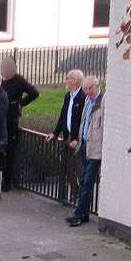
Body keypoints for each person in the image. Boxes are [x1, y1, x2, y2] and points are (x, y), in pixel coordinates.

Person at [0, 55, 40, 189]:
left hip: (11, 119)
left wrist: (20, 103)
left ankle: (7, 181)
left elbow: (34, 93)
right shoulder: (1, 81)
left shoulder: (19, 80)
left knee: (9, 150)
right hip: (0, 119)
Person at [68, 74, 104, 227]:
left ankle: (78, 215)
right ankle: (84, 214)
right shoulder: (88, 100)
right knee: (83, 180)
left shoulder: (103, 102)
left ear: (97, 87)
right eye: (86, 88)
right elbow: (84, 122)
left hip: (95, 149)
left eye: (90, 88)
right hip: (84, 146)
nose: (88, 91)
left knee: (88, 181)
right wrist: (77, 140)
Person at [52, 69, 87, 198]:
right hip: (67, 138)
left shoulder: (82, 97)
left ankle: (81, 195)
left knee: (77, 168)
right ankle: (75, 192)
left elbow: (81, 121)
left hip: (77, 140)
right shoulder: (68, 96)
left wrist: (77, 139)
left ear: (76, 81)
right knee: (68, 168)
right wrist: (55, 134)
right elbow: (63, 116)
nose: (66, 80)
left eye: (69, 78)